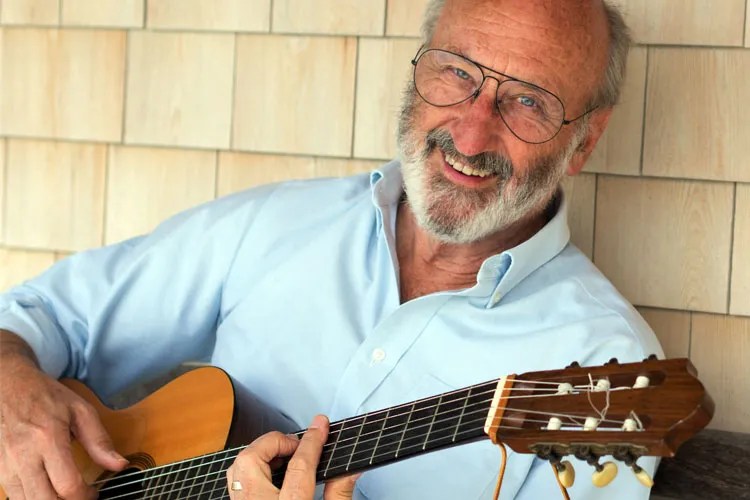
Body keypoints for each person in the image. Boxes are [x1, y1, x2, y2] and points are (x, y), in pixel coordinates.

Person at [0, 0, 664, 498]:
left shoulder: (608, 367)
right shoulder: (276, 224)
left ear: (585, 139)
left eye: (528, 101)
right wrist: (11, 382)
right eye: (457, 72)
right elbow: (44, 314)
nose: (471, 129)